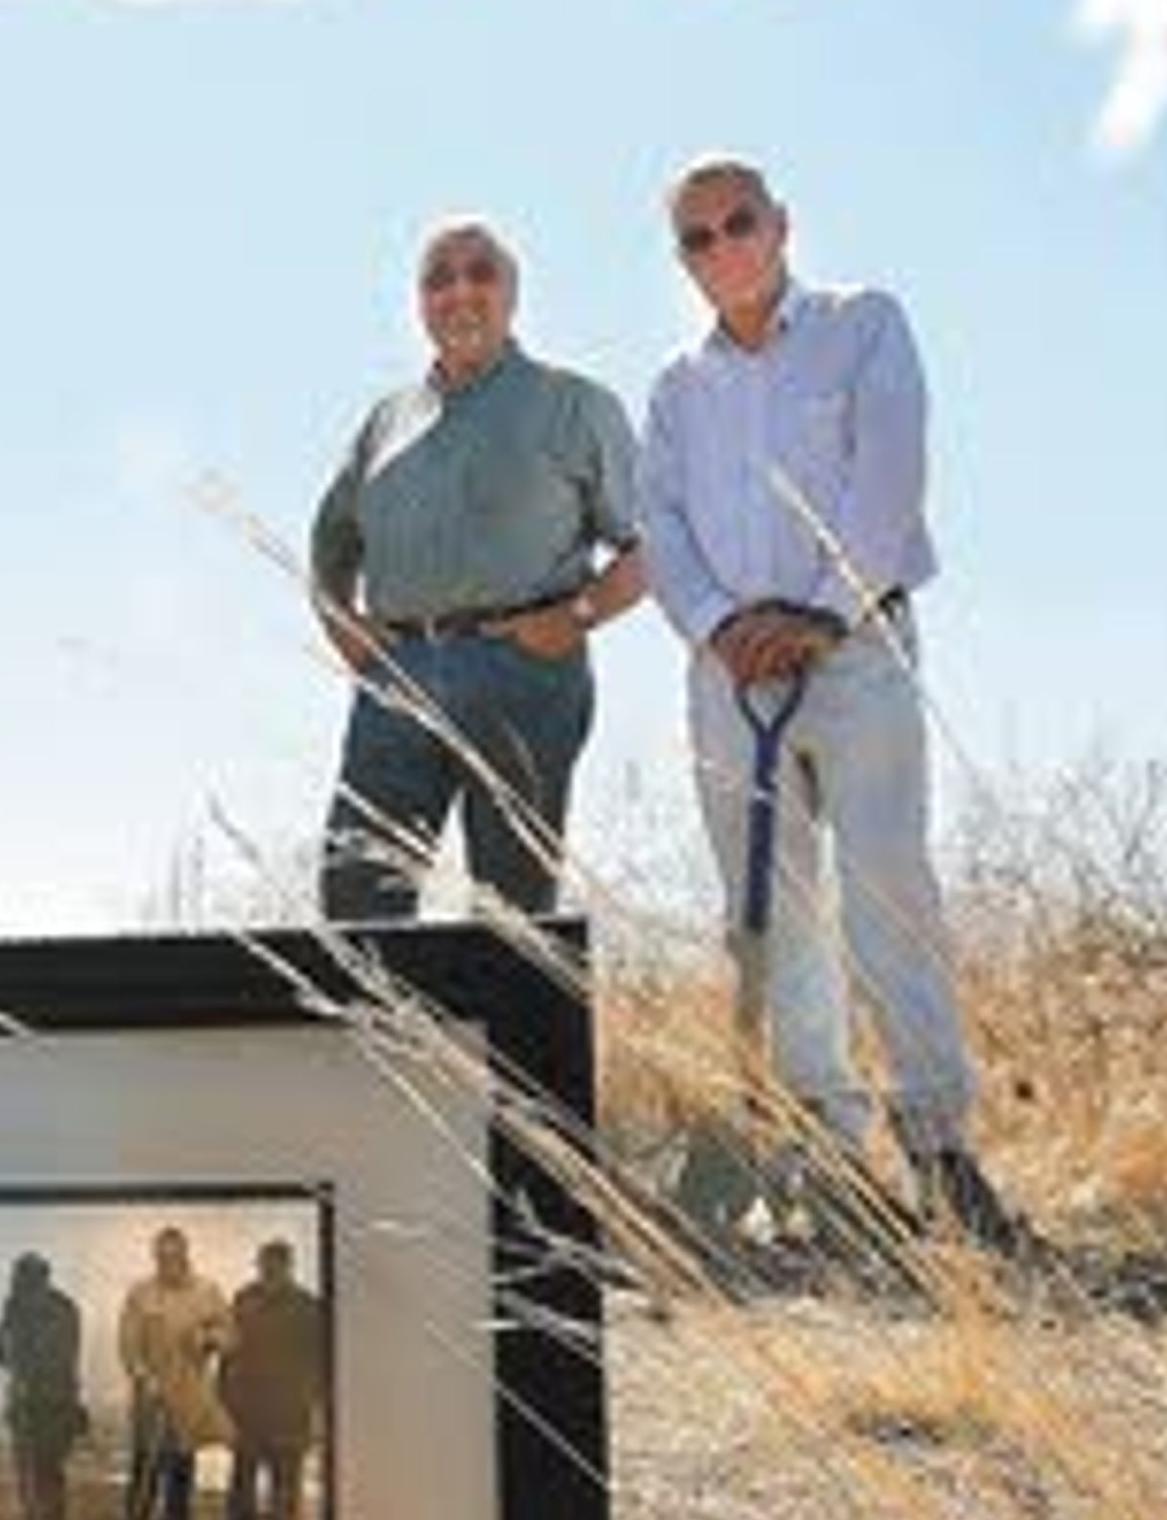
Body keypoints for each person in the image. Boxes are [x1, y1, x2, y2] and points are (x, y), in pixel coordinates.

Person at [639, 156, 1032, 1263]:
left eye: (738, 223)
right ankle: (825, 1164)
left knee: (886, 891)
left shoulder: (863, 328)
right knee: (767, 913)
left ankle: (942, 1150)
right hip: (729, 675)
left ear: (781, 224)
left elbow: (889, 478)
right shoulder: (675, 389)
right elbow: (660, 527)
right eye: (697, 239)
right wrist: (723, 625)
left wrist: (815, 616)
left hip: (854, 647)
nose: (723, 249)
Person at [309, 218, 647, 919]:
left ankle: (508, 1035)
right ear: (419, 302)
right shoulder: (387, 420)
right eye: (439, 278)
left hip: (522, 672)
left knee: (512, 912)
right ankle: (387, 1033)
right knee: (356, 896)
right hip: (397, 677)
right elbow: (331, 542)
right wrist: (346, 630)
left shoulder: (574, 405)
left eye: (480, 273)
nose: (459, 291)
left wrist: (573, 620)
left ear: (513, 293)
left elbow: (651, 546)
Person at [114, 1227, 232, 1520]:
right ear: (155, 1258)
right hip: (150, 1400)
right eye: (162, 1257)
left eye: (175, 1256)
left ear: (186, 1255)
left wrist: (208, 1338)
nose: (169, 1263)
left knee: (181, 1478)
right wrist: (144, 1379)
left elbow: (230, 1335)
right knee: (143, 1474)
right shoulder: (140, 1293)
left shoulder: (207, 1291)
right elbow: (127, 1344)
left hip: (189, 1397)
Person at [216, 1237, 324, 1520]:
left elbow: (320, 1362)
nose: (267, 1271)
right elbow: (230, 1352)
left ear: (288, 1267)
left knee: (286, 1483)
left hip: (289, 1412)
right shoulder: (243, 1299)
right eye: (263, 1265)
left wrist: (314, 1407)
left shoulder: (310, 1307)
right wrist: (222, 1396)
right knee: (242, 1481)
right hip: (247, 1409)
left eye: (275, 1266)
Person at [0, 1250, 88, 1520]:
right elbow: (1, 1349)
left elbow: (60, 1358)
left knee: (47, 1474)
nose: (18, 1285)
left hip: (52, 1405)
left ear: (40, 1279)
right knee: (25, 1473)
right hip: (25, 1404)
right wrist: (4, 1351)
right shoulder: (15, 1307)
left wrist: (17, 1360)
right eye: (18, 1280)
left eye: (23, 1279)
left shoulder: (61, 1310)